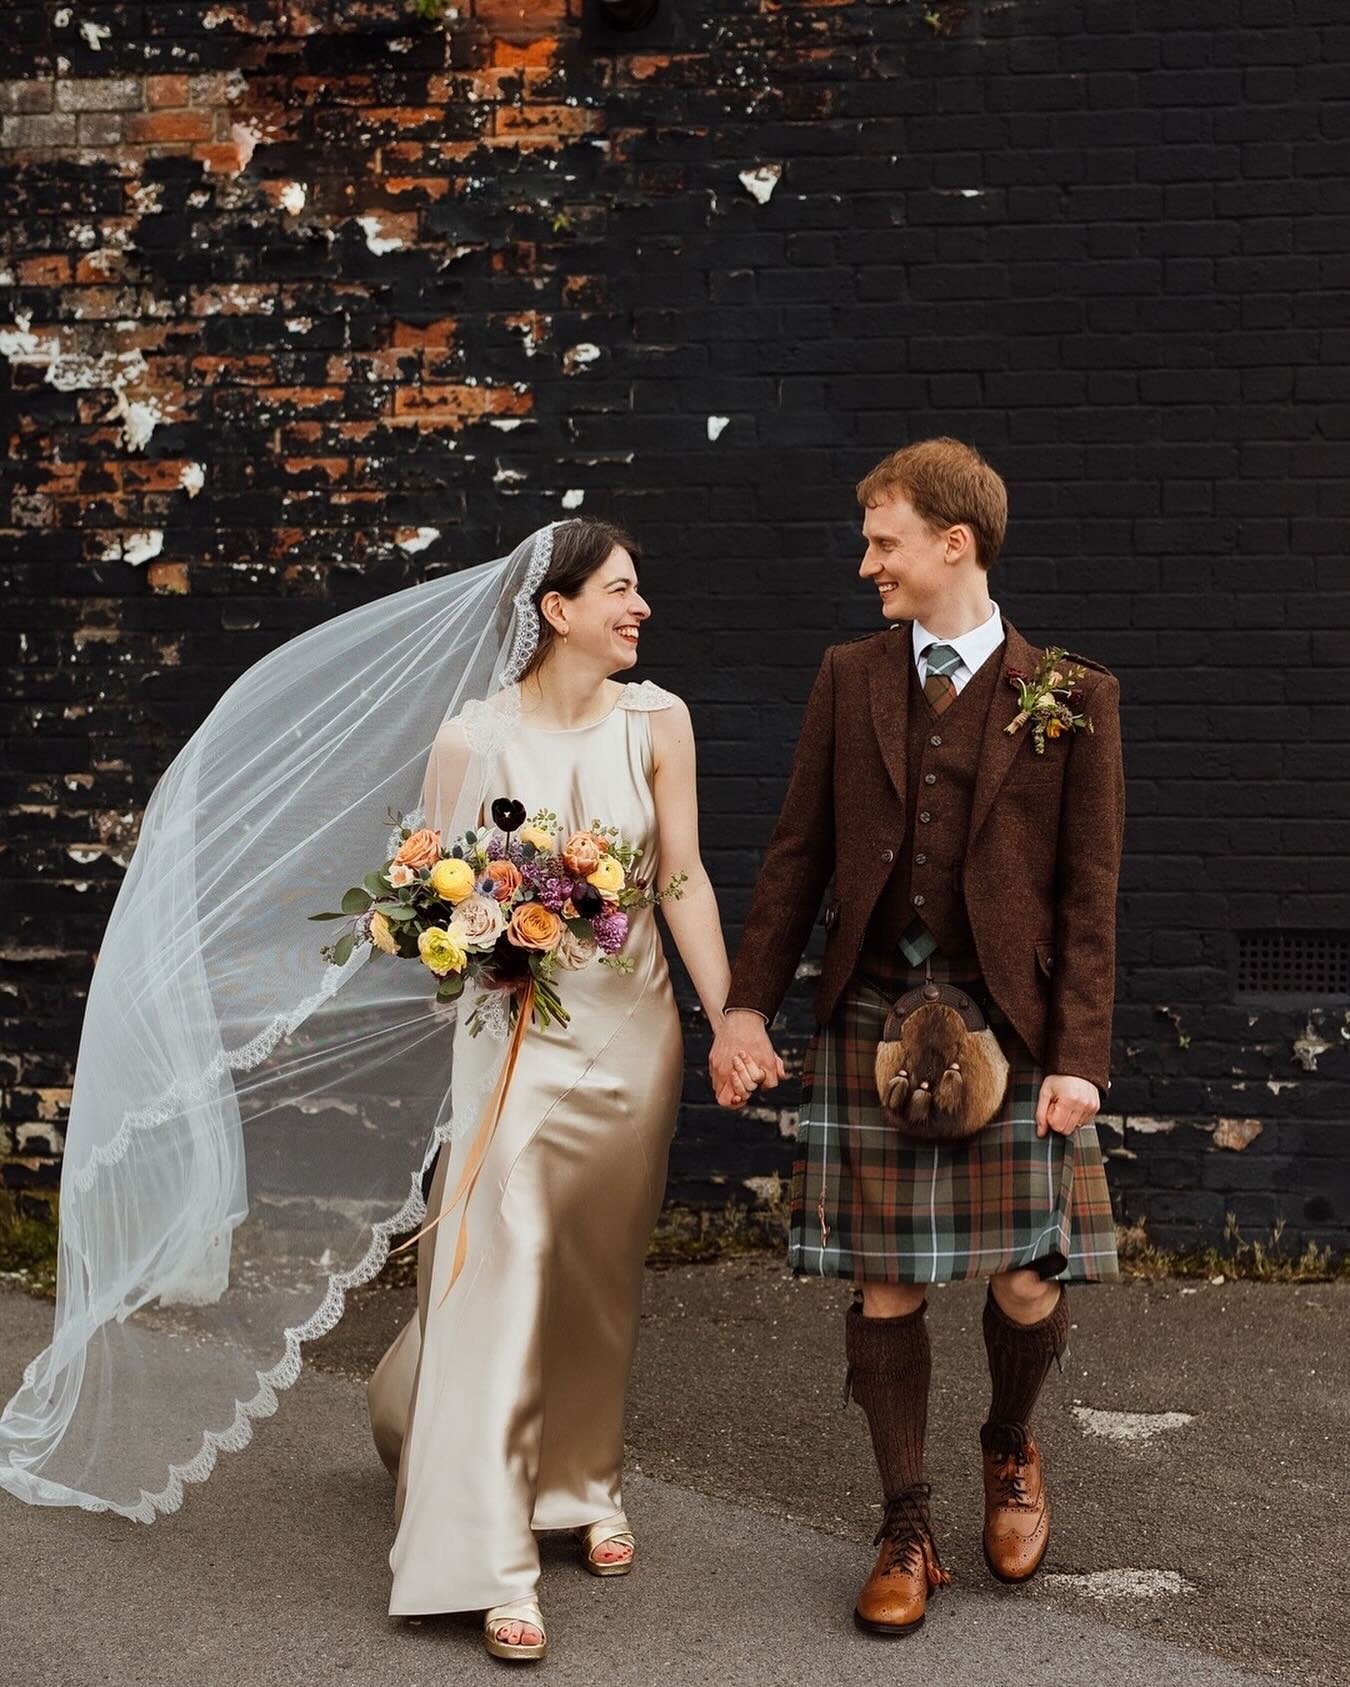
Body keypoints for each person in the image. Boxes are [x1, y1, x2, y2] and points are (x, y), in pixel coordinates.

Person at [711, 439, 1125, 1636]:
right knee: (884, 1283)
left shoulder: (1073, 694)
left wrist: (1082, 1060)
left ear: (957, 543)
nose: (866, 564)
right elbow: (796, 854)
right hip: (871, 1017)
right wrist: (747, 1002)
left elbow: (1088, 895)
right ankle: (905, 1520)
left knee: (1026, 1273)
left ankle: (1010, 1444)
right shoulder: (850, 676)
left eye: (884, 541)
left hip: (1012, 1019)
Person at [366, 518, 761, 1661]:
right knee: (504, 1267)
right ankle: (486, 1558)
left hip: (633, 1040)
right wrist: (474, 940)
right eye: (623, 592)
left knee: (596, 1273)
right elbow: (421, 903)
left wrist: (728, 1012)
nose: (641, 611)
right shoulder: (469, 738)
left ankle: (579, 1485)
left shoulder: (658, 722)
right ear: (559, 608)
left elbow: (677, 874)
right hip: (515, 1040)